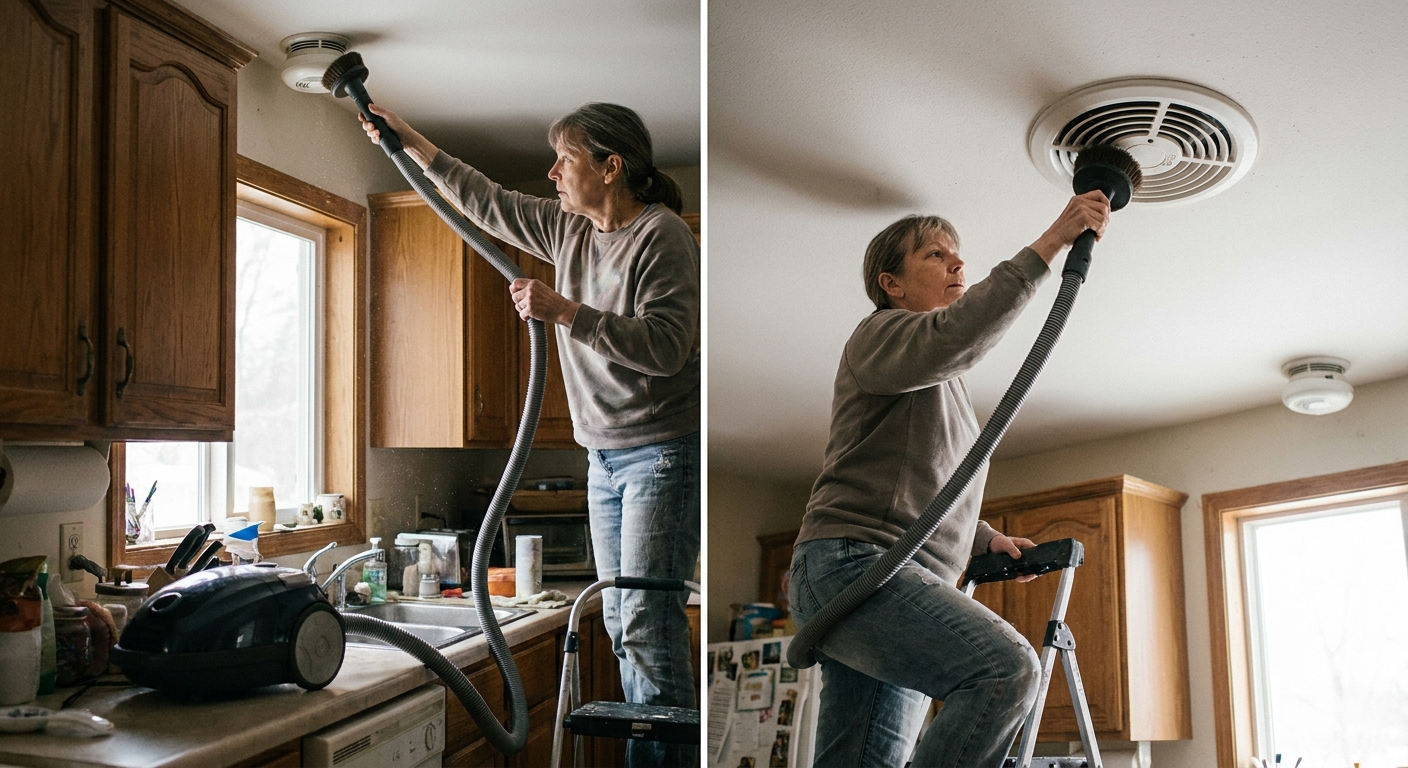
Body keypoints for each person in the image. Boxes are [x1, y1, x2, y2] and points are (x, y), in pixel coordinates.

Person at [359, 102, 700, 768]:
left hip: (660, 453)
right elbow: (485, 200)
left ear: (611, 166)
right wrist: (411, 142)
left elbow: (667, 346)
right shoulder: (568, 228)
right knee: (618, 624)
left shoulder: (662, 237)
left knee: (648, 629)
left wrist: (565, 311)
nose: (551, 174)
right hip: (602, 458)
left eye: (564, 159)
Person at [787, 191, 1112, 767]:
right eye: (937, 256)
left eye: (957, 254)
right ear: (892, 283)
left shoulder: (941, 382)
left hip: (892, 572)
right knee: (1007, 669)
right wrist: (1052, 241)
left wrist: (982, 536)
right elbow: (955, 334)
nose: (958, 264)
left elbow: (932, 480)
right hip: (855, 564)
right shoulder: (880, 335)